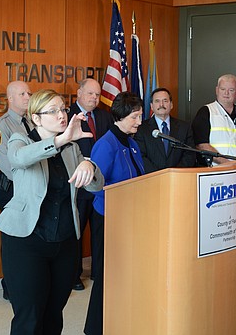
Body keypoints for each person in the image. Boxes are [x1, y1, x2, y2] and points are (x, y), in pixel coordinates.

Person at [0, 89, 104, 335]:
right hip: (26, 241)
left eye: (63, 109)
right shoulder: (20, 140)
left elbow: (96, 184)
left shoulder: (72, 148)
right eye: (52, 111)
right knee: (29, 317)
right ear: (36, 118)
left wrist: (89, 164)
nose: (62, 115)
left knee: (55, 314)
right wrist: (60, 141)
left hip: (64, 241)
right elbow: (20, 159)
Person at [84, 91, 145, 335]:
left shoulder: (131, 142)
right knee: (107, 276)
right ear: (120, 116)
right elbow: (95, 186)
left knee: (123, 275)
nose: (140, 122)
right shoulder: (106, 145)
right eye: (135, 117)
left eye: (140, 116)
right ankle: (96, 328)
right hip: (108, 218)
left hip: (130, 218)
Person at [0, 80, 32, 300]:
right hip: (13, 187)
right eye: (22, 93)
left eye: (29, 93)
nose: (28, 97)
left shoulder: (32, 122)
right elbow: (6, 163)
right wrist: (31, 181)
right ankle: (10, 287)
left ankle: (29, 283)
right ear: (11, 99)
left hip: (33, 187)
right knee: (13, 239)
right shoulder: (1, 127)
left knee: (31, 237)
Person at [68, 78, 112, 290]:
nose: (94, 98)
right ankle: (74, 274)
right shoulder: (68, 116)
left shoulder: (104, 116)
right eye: (90, 94)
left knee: (100, 230)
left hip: (100, 183)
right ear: (79, 93)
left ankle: (99, 272)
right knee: (76, 231)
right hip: (78, 184)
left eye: (97, 95)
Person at [191, 74, 236, 165]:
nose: (226, 93)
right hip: (214, 171)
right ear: (217, 90)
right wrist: (227, 164)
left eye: (231, 90)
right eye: (223, 89)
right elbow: (201, 144)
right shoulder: (206, 112)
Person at [133, 87, 196, 173]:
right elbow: (140, 156)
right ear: (151, 106)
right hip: (152, 179)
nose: (161, 104)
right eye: (157, 101)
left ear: (171, 105)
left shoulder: (184, 127)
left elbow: (190, 154)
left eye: (165, 101)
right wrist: (159, 176)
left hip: (178, 178)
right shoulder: (142, 128)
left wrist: (174, 173)